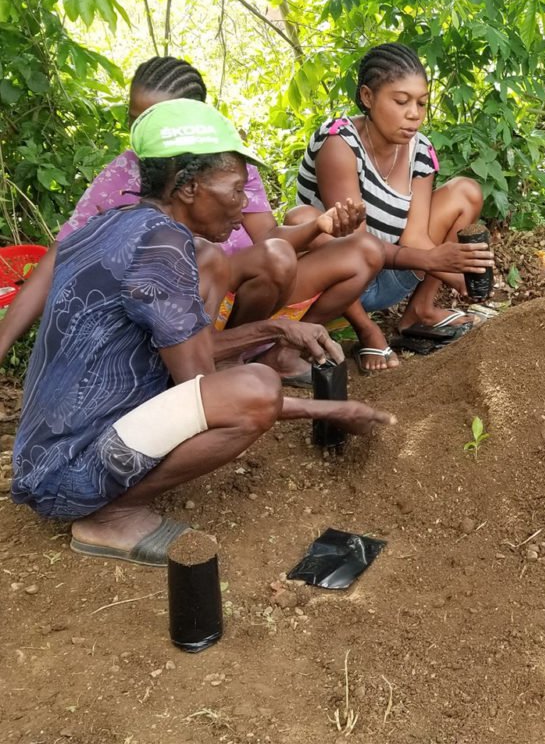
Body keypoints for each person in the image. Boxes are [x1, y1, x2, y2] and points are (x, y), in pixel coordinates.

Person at [10, 99, 394, 566]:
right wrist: (329, 408)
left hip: (45, 455)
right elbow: (200, 388)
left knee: (213, 268)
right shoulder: (161, 247)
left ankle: (107, 494)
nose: (243, 206)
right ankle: (110, 516)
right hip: (68, 477)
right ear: (189, 187)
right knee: (255, 388)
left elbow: (190, 356)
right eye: (234, 190)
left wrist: (276, 328)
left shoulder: (116, 223)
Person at [0, 56, 384, 384]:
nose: (141, 133)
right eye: (135, 119)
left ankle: (246, 357)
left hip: (234, 302)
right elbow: (61, 256)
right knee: (208, 261)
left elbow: (267, 238)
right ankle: (207, 368)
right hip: (164, 310)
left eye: (156, 119)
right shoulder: (123, 173)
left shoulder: (228, 165)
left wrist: (318, 227)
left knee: (321, 254)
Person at [296, 42, 494, 371]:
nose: (414, 114)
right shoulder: (339, 143)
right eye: (401, 101)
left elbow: (415, 237)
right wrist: (371, 332)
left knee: (466, 192)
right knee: (309, 221)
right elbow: (354, 248)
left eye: (421, 103)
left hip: (391, 272)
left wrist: (459, 276)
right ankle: (365, 328)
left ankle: (420, 311)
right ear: (368, 97)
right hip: (337, 283)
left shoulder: (421, 150)